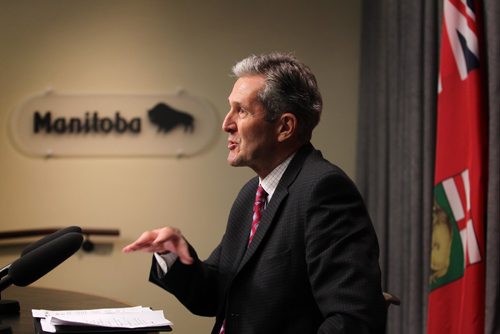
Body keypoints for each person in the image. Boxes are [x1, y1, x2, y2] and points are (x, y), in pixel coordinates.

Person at [123, 52, 387, 333]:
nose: (226, 124)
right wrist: (174, 256)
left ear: (284, 127)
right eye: (230, 108)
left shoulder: (324, 191)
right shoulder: (252, 194)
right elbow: (216, 295)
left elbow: (353, 320)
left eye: (242, 111)